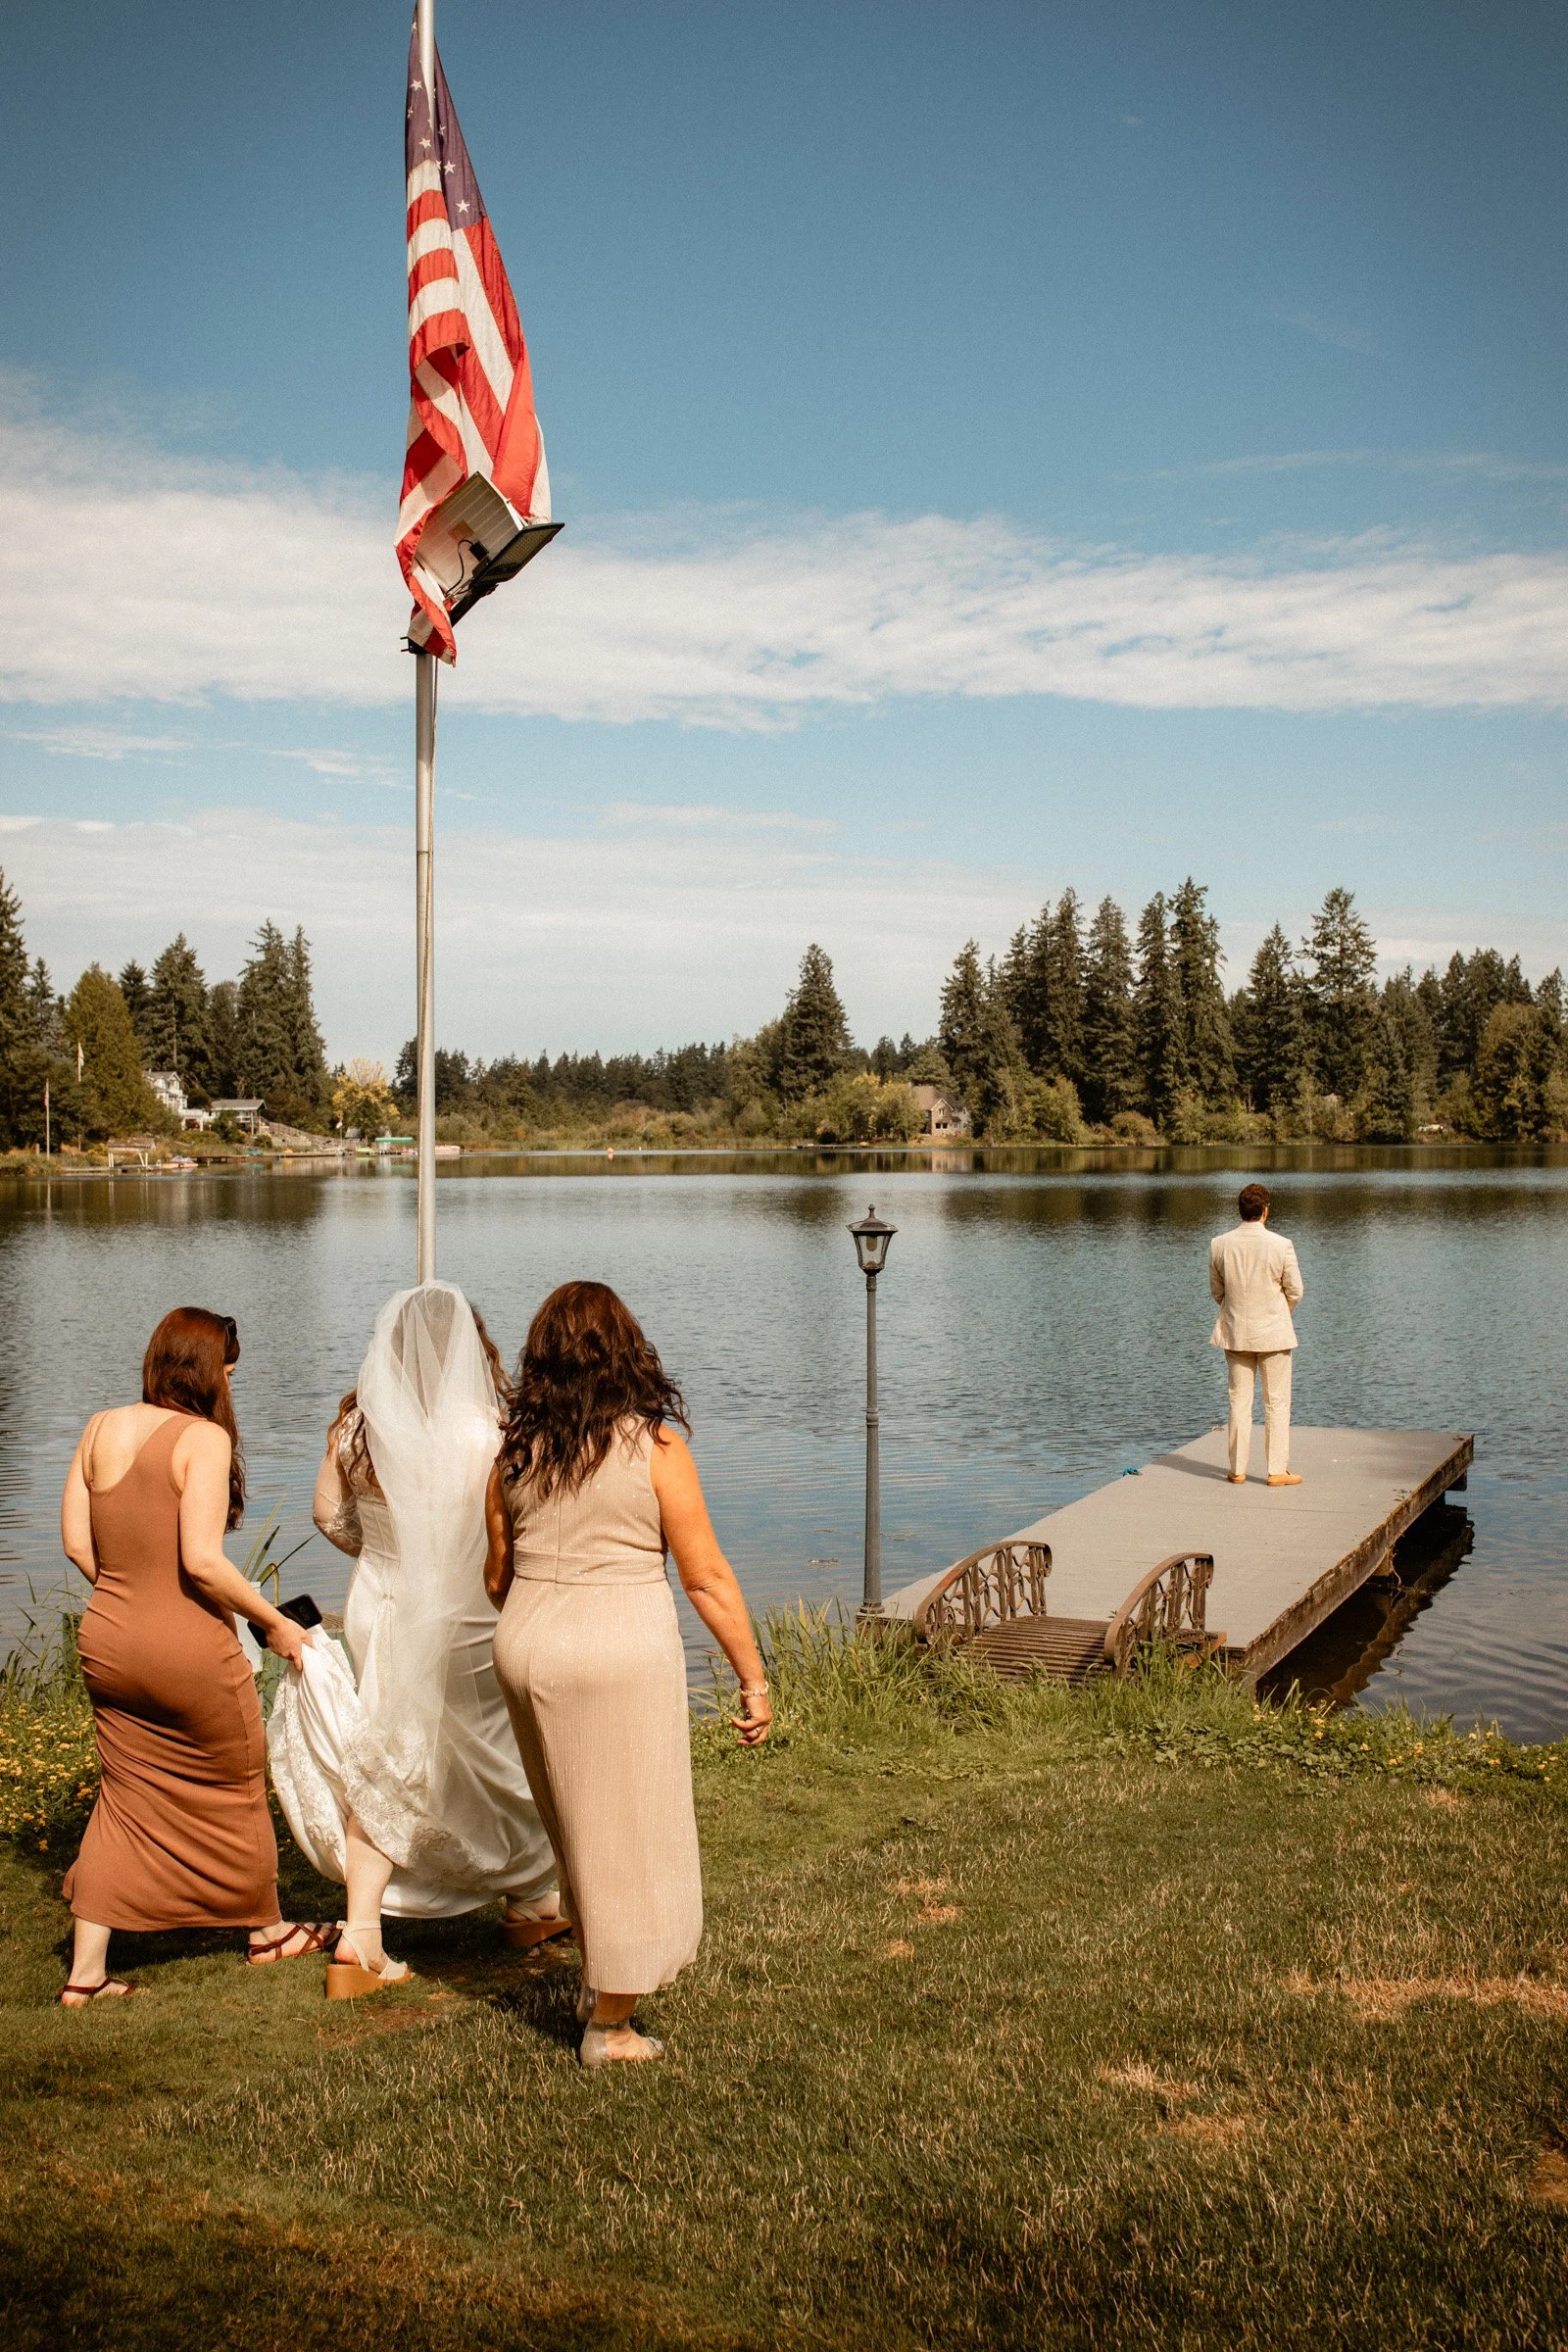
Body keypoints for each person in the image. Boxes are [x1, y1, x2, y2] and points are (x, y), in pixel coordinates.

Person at [486, 1281, 771, 2070]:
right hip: (615, 1645)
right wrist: (753, 1678)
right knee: (630, 1832)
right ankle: (610, 2025)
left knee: (573, 1821)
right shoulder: (657, 1448)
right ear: (628, 1352)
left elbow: (496, 1576)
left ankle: (596, 1978)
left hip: (528, 1644)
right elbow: (706, 1577)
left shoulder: (513, 1452)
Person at [268, 1282, 561, 1999]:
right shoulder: (490, 1431)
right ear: (469, 1345)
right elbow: (510, 1528)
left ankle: (529, 1896)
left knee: (401, 1745)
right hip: (466, 1608)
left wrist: (383, 1555)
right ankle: (367, 1937)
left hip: (379, 1600)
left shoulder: (357, 1429)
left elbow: (329, 1517)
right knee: (481, 1749)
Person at [57, 1307, 327, 2006]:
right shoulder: (201, 1439)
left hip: (108, 1638)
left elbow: (78, 1548)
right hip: (185, 1647)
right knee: (238, 1777)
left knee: (124, 1793)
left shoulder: (98, 1428)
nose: (231, 1388)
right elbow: (202, 1563)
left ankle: (86, 1976)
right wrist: (275, 1624)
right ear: (210, 1371)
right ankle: (267, 1930)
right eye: (230, 1374)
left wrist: (129, 1603)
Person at [1209, 1182, 1305, 1488]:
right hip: (1274, 1334)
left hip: (1236, 1332)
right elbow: (1296, 1291)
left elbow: (1217, 1292)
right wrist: (1280, 1314)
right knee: (1276, 1402)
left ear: (1241, 1211)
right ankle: (1277, 1470)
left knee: (1238, 1400)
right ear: (1265, 1212)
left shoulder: (1219, 1244)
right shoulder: (1281, 1244)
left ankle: (1237, 1469)